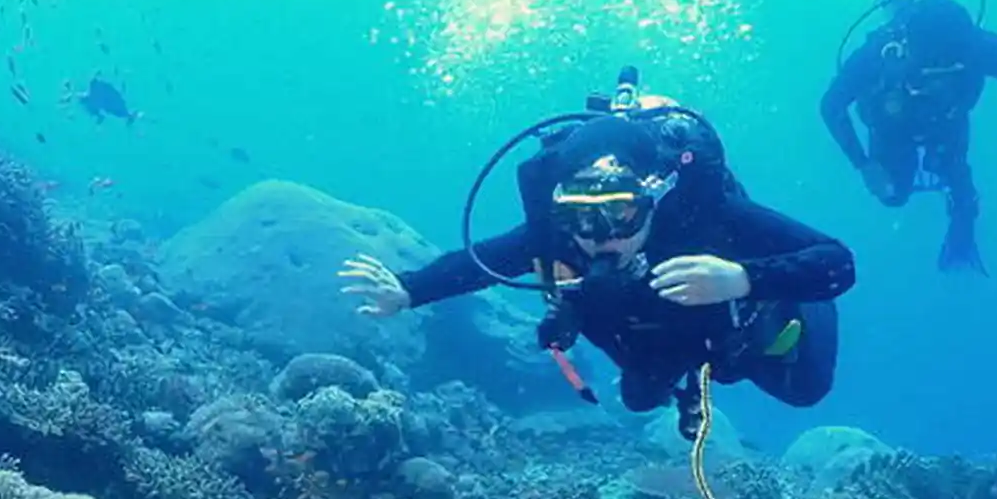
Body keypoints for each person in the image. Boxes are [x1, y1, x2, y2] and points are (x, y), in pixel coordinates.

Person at [340, 98, 855, 441]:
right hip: (663, 335)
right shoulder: (558, 236)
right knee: (638, 398)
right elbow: (482, 263)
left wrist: (743, 278)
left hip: (744, 322)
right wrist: (407, 291)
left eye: (621, 213)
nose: (602, 234)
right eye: (582, 217)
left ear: (652, 200)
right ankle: (685, 386)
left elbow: (836, 263)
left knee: (804, 389)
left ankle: (773, 318)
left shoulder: (705, 216)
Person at [820, 0, 997, 272]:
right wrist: (864, 165)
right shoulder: (879, 53)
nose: (941, 79)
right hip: (893, 128)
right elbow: (830, 105)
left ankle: (959, 254)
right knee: (892, 197)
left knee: (962, 193)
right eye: (934, 72)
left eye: (953, 69)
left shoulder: (976, 45)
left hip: (948, 121)